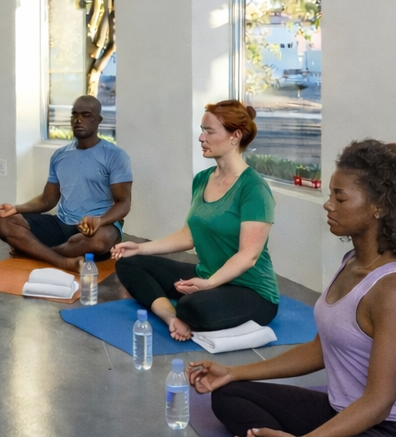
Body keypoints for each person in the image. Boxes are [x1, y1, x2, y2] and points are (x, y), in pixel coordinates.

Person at [187, 139, 396, 437]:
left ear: (379, 206)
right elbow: (319, 349)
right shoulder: (351, 262)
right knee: (229, 394)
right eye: (330, 195)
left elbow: (378, 404)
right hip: (343, 412)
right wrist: (233, 372)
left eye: (340, 197)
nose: (328, 204)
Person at [113, 101, 279, 340]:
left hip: (250, 289)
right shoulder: (202, 179)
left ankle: (185, 310)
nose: (201, 138)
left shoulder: (254, 188)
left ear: (235, 136)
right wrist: (139, 248)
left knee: (193, 307)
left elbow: (248, 256)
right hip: (207, 274)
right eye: (202, 130)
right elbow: (189, 235)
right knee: (128, 262)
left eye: (209, 132)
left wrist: (209, 284)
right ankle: (170, 317)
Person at [0, 95, 132, 271]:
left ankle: (35, 252)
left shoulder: (115, 155)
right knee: (4, 225)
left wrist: (100, 221)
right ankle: (63, 261)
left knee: (98, 242)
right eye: (74, 115)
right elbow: (47, 200)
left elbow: (124, 203)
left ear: (98, 120)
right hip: (62, 223)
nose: (78, 120)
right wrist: (16, 208)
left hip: (98, 227)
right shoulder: (60, 155)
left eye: (86, 115)